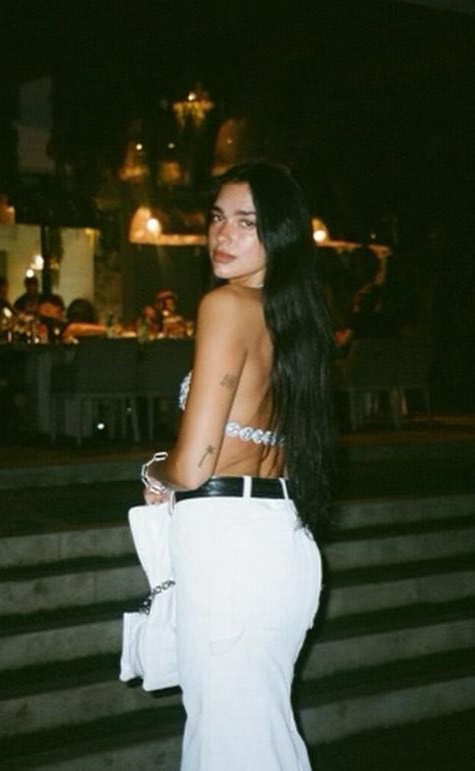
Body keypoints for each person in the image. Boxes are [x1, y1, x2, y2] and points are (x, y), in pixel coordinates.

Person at [139, 161, 335, 770]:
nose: (223, 235)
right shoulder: (296, 317)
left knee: (229, 746)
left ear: (280, 233)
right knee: (258, 740)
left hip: (229, 548)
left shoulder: (226, 305)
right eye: (218, 218)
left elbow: (195, 464)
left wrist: (155, 473)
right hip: (281, 539)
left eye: (247, 222)